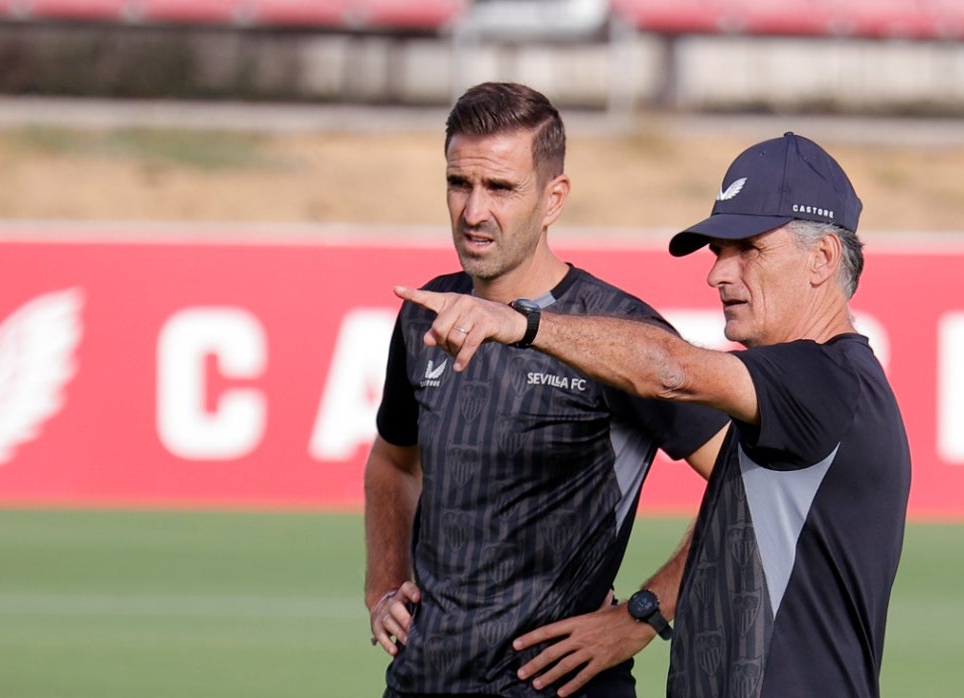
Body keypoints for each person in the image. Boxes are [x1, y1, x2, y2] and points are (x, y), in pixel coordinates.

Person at [396, 131, 912, 697]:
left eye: (749, 250)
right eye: (718, 252)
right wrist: (644, 609)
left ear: (822, 259)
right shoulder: (797, 390)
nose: (718, 274)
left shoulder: (825, 379)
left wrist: (523, 325)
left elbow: (671, 371)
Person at [364, 81, 728, 698]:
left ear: (554, 198)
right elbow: (392, 461)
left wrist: (644, 613)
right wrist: (383, 582)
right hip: (422, 680)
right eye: (459, 183)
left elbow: (746, 481)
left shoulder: (617, 335)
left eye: (501, 188)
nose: (474, 211)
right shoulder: (425, 314)